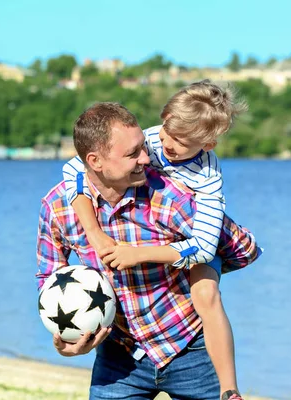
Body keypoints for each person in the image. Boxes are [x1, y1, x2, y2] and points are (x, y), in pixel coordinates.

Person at [37, 102, 262, 400]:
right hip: (118, 357)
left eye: (143, 147)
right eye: (132, 154)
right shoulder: (57, 207)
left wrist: (200, 266)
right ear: (95, 161)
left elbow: (244, 249)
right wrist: (66, 338)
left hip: (190, 348)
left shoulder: (171, 197)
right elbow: (49, 278)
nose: (146, 158)